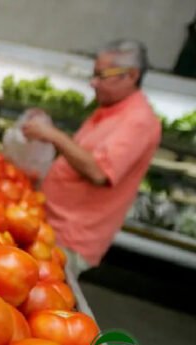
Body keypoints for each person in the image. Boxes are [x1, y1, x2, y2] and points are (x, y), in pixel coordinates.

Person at [22, 39, 161, 280]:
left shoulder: (138, 121)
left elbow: (99, 171)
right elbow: (81, 157)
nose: (93, 82)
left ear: (131, 75)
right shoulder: (108, 109)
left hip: (70, 236)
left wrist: (53, 135)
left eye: (101, 75)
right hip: (51, 223)